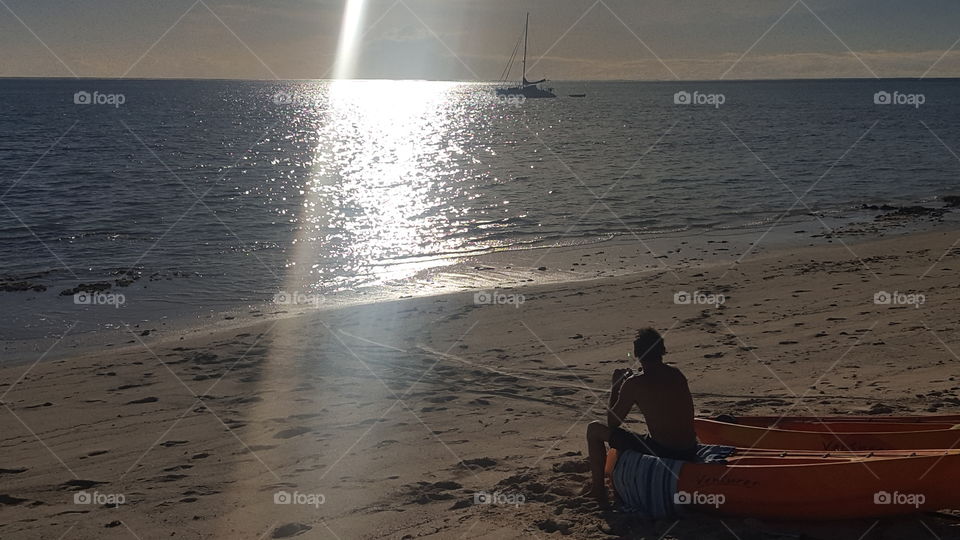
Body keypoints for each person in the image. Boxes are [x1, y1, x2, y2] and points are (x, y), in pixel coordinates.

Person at [585, 328, 698, 502]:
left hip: (665, 451)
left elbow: (612, 422)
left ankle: (598, 490)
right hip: (690, 449)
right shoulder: (676, 374)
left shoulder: (635, 383)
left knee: (593, 429)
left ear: (637, 354)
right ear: (661, 351)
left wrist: (616, 387)